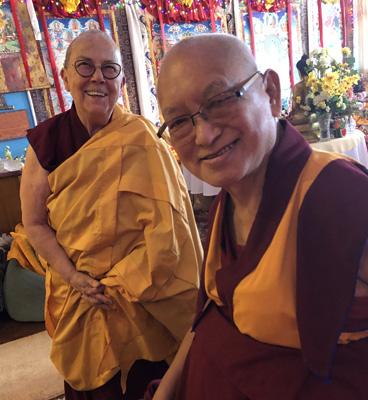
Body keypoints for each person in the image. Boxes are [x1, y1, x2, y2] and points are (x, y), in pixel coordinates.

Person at [151, 33, 368, 399]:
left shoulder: (339, 196)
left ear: (270, 92)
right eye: (179, 122)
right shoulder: (227, 202)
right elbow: (207, 321)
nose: (203, 135)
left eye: (218, 101)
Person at [20, 30, 202, 399]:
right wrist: (74, 278)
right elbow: (35, 224)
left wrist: (125, 281)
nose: (97, 78)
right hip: (79, 294)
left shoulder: (142, 139)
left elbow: (172, 228)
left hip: (141, 295)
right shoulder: (45, 144)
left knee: (146, 383)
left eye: (110, 69)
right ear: (66, 75)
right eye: (85, 66)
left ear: (121, 80)